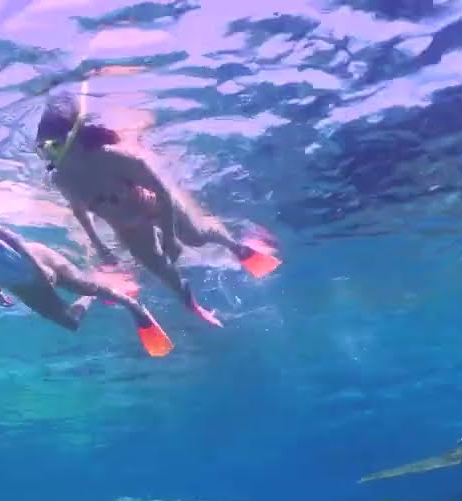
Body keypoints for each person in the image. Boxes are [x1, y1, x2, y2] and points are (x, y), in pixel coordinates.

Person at [35, 90, 281, 328]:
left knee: (195, 237)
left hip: (155, 204)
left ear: (75, 138)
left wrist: (170, 237)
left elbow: (162, 194)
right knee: (162, 271)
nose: (49, 158)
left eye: (53, 147)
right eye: (41, 150)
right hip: (127, 226)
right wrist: (100, 247)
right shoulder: (62, 178)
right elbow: (80, 212)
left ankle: (236, 247)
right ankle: (194, 307)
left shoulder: (116, 158)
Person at [0, 168, 175, 357]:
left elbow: (11, 237)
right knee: (71, 321)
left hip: (31, 257)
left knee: (81, 285)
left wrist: (37, 266)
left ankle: (133, 307)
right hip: (19, 284)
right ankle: (97, 280)